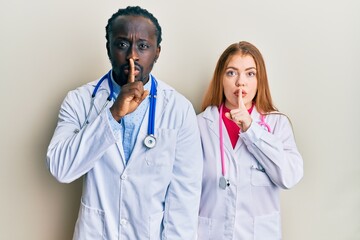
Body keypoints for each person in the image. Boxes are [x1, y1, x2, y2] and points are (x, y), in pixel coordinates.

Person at [46, 6, 203, 240]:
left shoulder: (179, 110)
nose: (132, 55)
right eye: (121, 44)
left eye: (143, 46)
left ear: (157, 52)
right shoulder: (79, 100)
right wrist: (112, 115)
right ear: (108, 48)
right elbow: (61, 168)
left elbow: (184, 201)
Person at [197, 41, 304, 239]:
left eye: (250, 73)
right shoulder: (201, 125)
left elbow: (289, 177)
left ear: (259, 80)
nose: (240, 82)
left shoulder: (276, 124)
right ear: (220, 78)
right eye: (231, 73)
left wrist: (251, 128)